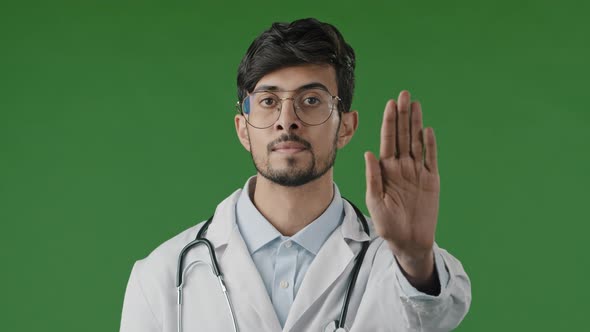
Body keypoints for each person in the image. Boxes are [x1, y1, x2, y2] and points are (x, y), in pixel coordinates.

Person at [119, 18, 471, 332]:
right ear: (243, 129)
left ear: (346, 127)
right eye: (269, 101)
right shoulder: (162, 276)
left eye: (312, 100)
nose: (287, 120)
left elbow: (438, 315)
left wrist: (414, 258)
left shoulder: (398, 264)